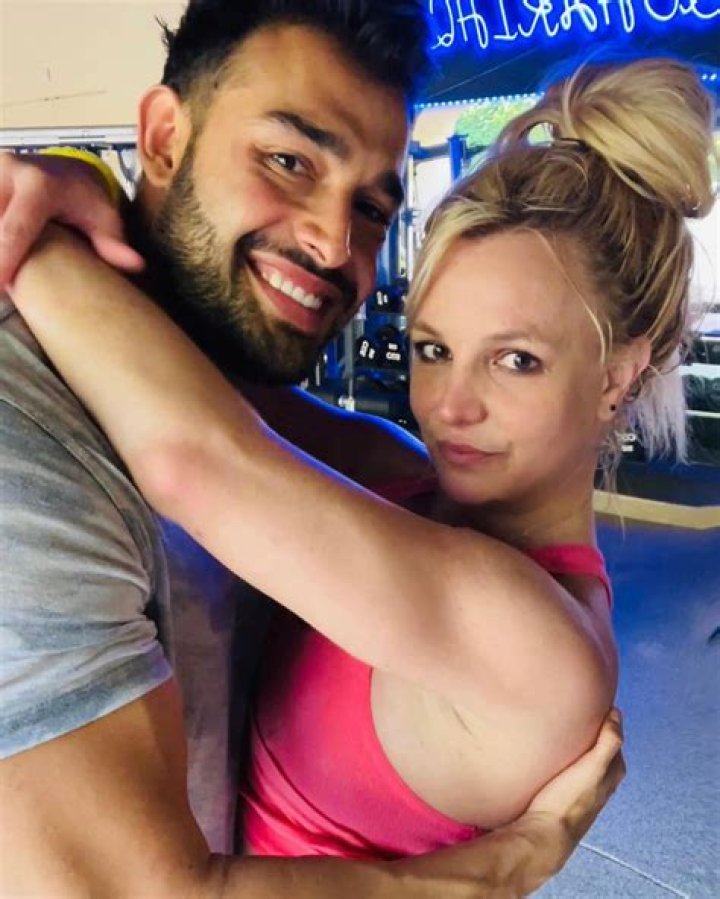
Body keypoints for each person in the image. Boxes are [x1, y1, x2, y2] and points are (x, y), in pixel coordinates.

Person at [12, 53, 711, 865]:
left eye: (516, 360)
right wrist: (84, 180)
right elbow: (190, 371)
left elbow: (195, 456)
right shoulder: (401, 474)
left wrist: (31, 238)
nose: (451, 405)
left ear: (616, 376)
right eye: (434, 349)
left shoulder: (543, 653)